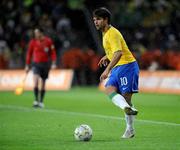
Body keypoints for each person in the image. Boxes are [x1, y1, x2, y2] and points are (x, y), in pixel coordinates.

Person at [93, 7, 139, 138]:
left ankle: (130, 129)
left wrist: (107, 70)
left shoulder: (112, 33)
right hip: (118, 68)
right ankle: (127, 108)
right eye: (94, 19)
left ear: (106, 20)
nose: (95, 22)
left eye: (98, 19)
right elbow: (114, 50)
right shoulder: (105, 33)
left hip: (127, 66)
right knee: (109, 89)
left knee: (126, 98)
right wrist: (107, 56)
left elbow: (119, 53)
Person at [25, 28, 57, 108]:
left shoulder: (48, 41)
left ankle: (41, 101)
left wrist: (53, 63)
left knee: (43, 84)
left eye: (37, 33)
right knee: (35, 81)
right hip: (36, 64)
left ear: (41, 33)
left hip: (45, 65)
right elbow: (29, 54)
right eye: (35, 33)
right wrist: (27, 65)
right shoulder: (33, 42)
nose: (35, 34)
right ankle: (36, 100)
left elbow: (53, 53)